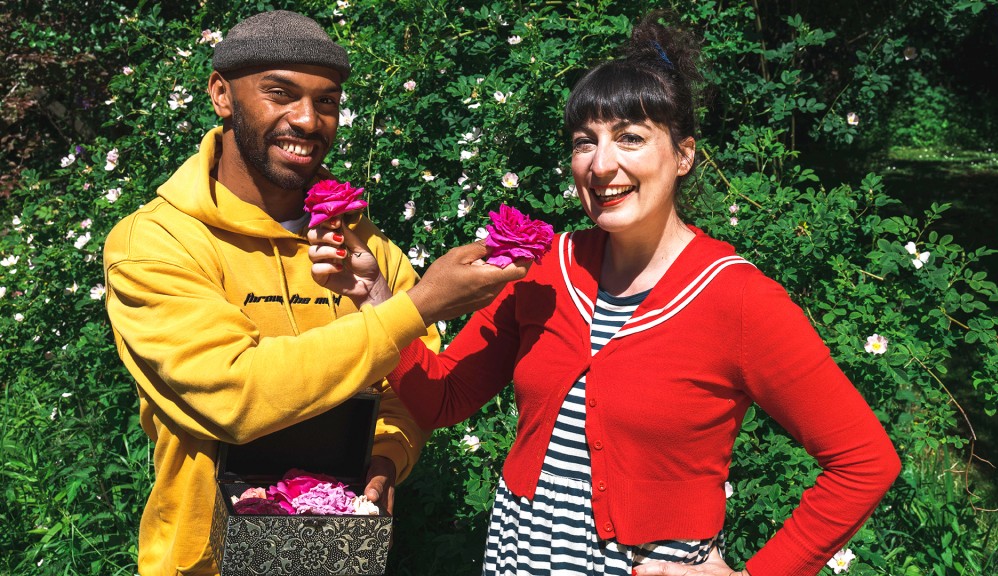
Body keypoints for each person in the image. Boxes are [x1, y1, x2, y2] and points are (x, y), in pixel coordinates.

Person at [308, 12, 901, 576]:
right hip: (524, 551)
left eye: (631, 138)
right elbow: (443, 401)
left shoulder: (738, 299)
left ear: (684, 155)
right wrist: (375, 295)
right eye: (584, 141)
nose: (601, 164)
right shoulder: (544, 269)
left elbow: (864, 462)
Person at [103, 10, 526, 575]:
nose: (307, 119)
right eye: (280, 93)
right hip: (203, 561)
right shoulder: (155, 244)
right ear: (221, 94)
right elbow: (236, 397)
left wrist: (385, 456)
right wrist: (414, 305)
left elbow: (409, 389)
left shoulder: (365, 247)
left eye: (326, 101)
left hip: (341, 555)